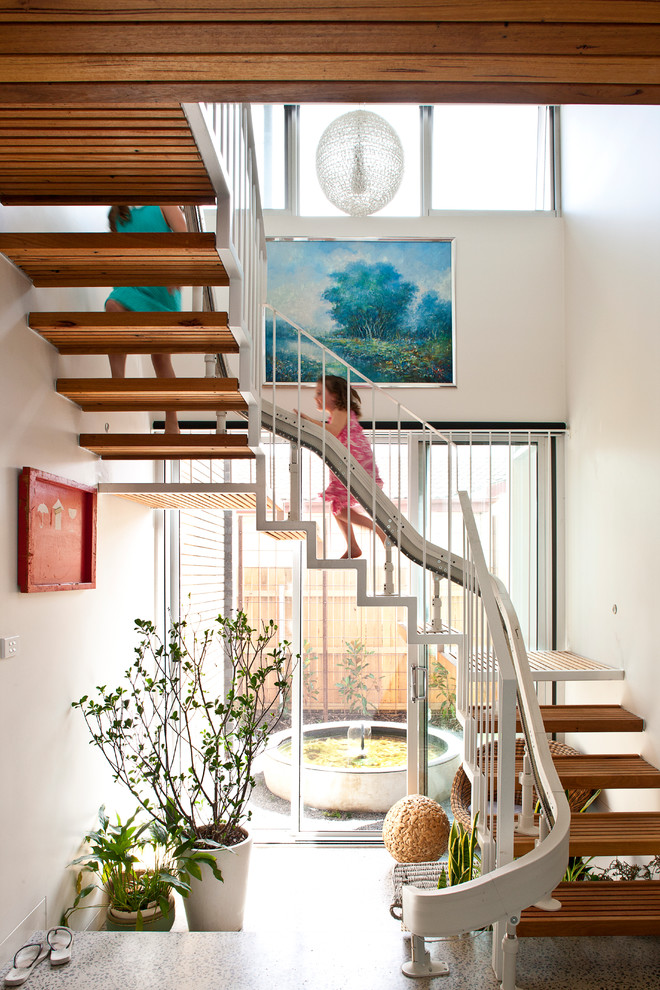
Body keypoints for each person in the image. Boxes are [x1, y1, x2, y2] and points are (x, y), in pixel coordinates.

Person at [105, 204, 187, 434]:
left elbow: (186, 240)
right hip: (132, 282)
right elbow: (116, 250)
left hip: (161, 288)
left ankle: (172, 421)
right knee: (112, 306)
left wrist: (181, 272)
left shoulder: (165, 205)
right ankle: (118, 382)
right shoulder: (118, 213)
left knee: (161, 359)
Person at [297, 375, 387, 559]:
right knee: (337, 507)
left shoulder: (341, 410)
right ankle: (353, 546)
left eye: (321, 393)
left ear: (336, 396)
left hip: (355, 463)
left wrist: (307, 420)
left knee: (339, 508)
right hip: (349, 463)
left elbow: (332, 432)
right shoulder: (338, 414)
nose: (316, 397)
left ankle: (377, 530)